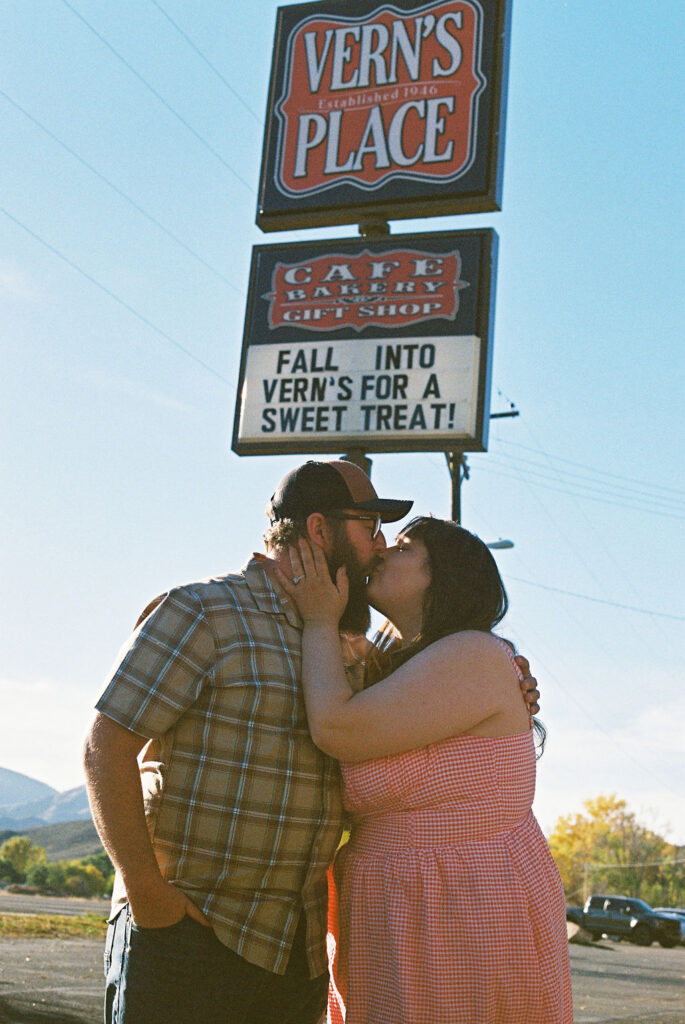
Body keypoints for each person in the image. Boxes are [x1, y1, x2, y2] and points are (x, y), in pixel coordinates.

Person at [82, 460, 540, 1024]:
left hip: (297, 960)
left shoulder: (356, 651)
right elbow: (106, 745)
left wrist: (507, 680)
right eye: (370, 526)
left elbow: (435, 722)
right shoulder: (204, 612)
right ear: (320, 530)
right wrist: (147, 895)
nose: (378, 545)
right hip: (190, 934)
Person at [276, 516, 572, 1024]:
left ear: (445, 576)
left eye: (407, 546)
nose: (385, 550)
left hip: (460, 908)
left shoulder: (473, 654)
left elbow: (337, 729)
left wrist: (322, 620)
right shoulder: (399, 663)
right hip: (410, 908)